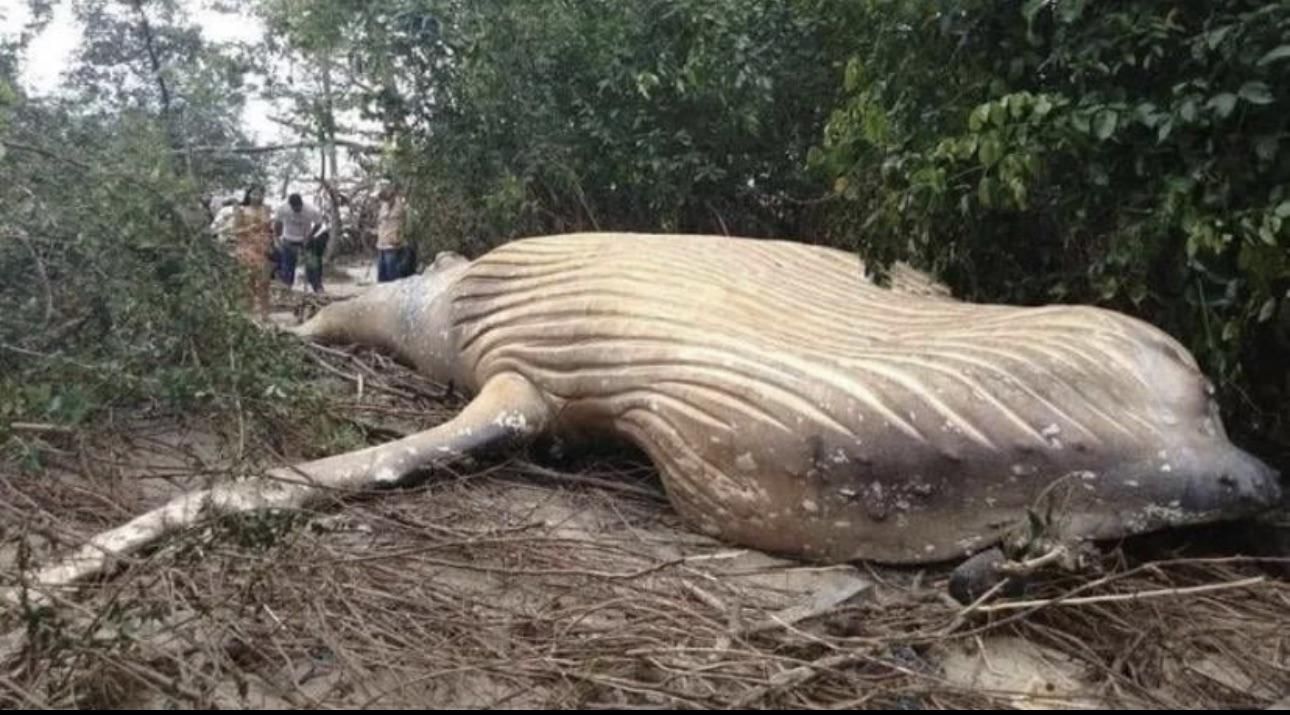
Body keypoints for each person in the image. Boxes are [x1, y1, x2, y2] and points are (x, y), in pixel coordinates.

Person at [231, 185, 275, 320]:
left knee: (265, 283)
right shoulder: (241, 210)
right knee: (248, 283)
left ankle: (265, 314)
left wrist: (271, 242)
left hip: (264, 249)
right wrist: (252, 228)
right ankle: (249, 313)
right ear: (248, 195)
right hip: (247, 249)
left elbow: (270, 230)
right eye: (254, 194)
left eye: (260, 194)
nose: (257, 197)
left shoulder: (266, 209)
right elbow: (235, 232)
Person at [273, 193, 324, 288]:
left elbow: (319, 224)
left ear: (301, 204)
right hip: (288, 239)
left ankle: (318, 287)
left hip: (305, 239)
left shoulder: (311, 210)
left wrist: (310, 236)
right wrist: (277, 239)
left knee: (312, 264)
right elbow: (277, 223)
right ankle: (287, 288)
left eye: (299, 208)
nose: (297, 210)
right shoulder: (282, 208)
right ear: (290, 205)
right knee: (287, 266)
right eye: (294, 208)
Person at [375, 183, 415, 282]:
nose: (380, 198)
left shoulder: (402, 205)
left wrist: (401, 237)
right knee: (382, 278)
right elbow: (381, 222)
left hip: (394, 246)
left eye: (382, 195)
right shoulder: (384, 205)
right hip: (382, 245)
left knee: (394, 278)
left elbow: (409, 225)